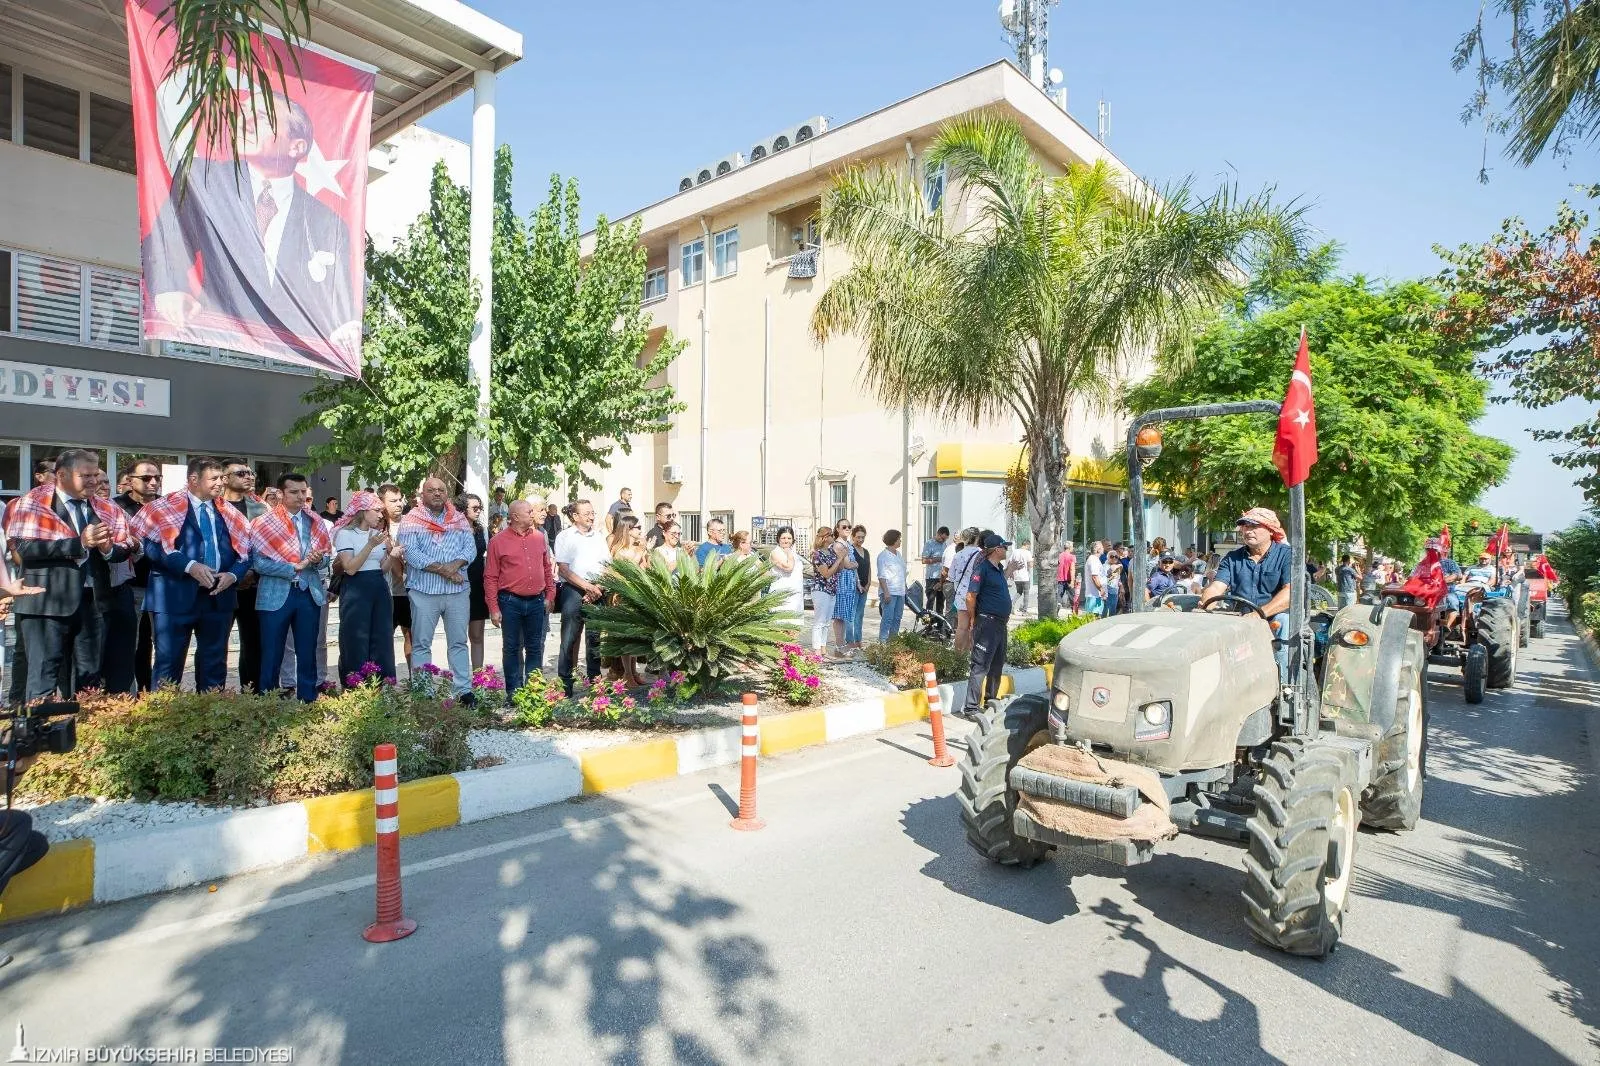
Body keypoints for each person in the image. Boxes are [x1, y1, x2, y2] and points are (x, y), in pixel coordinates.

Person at [145, 91, 360, 368]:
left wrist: (347, 327)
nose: (243, 123)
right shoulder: (204, 180)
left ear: (296, 147)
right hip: (214, 345)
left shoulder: (328, 224)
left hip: (292, 360)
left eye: (260, 117)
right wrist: (168, 288)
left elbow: (338, 301)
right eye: (242, 114)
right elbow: (166, 241)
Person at [4, 449, 134, 701]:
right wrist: (78, 543)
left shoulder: (106, 508)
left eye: (95, 475)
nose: (94, 482)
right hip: (46, 604)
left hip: (93, 603)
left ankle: (84, 733)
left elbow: (123, 550)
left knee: (89, 680)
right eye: (85, 475)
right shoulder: (32, 504)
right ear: (61, 475)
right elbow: (25, 549)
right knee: (42, 678)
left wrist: (108, 550)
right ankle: (39, 733)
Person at [134, 457, 251, 691]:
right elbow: (149, 547)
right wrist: (189, 566)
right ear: (194, 479)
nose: (220, 483)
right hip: (173, 597)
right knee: (169, 664)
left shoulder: (229, 512)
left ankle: (210, 721)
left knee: (215, 663)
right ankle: (166, 720)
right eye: (214, 478)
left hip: (218, 597)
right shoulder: (163, 508)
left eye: (222, 478)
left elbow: (246, 552)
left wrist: (234, 575)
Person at [251, 473, 332, 702]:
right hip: (276, 594)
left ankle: (308, 702)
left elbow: (327, 558)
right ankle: (268, 703)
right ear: (281, 493)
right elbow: (258, 563)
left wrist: (318, 560)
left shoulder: (315, 521)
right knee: (271, 653)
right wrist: (292, 567)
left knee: (308, 652)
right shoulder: (264, 522)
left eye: (303, 492)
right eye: (294, 492)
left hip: (308, 592)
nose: (300, 496)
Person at [398, 477, 477, 699]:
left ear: (447, 494)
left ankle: (463, 691)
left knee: (459, 642)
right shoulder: (410, 520)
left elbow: (469, 550)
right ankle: (424, 692)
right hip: (424, 592)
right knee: (421, 643)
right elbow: (411, 554)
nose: (436, 493)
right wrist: (447, 571)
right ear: (422, 494)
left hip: (457, 594)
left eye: (441, 490)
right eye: (431, 490)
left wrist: (454, 567)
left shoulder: (459, 520)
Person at [1199, 508, 1294, 680]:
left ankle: (1284, 685)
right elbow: (1217, 586)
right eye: (1244, 526)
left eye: (1254, 526)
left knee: (1283, 621)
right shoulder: (1232, 558)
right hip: (1242, 619)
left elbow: (1289, 594)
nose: (1247, 530)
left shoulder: (1287, 555)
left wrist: (1259, 615)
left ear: (1270, 530)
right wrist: (1207, 600)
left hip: (1273, 618)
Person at [485, 500, 557, 697]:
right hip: (510, 602)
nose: (533, 513)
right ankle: (514, 693)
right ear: (515, 516)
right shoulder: (497, 541)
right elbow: (490, 577)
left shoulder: (539, 538)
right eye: (529, 511)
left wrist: (550, 593)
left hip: (536, 601)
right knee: (511, 648)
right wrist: (493, 607)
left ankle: (533, 692)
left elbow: (546, 568)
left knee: (535, 647)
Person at [107, 459, 162, 693]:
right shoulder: (114, 507)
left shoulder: (166, 506)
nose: (153, 482)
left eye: (157, 478)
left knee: (163, 645)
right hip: (132, 585)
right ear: (129, 481)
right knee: (132, 642)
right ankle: (128, 697)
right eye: (146, 478)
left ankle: (157, 694)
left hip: (163, 585)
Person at [332, 491, 397, 683]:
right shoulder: (345, 534)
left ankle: (381, 682)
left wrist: (393, 556)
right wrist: (369, 545)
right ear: (362, 511)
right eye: (376, 510)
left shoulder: (378, 535)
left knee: (381, 635)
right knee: (355, 636)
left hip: (379, 587)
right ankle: (355, 683)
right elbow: (350, 569)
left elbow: (382, 568)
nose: (380, 515)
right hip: (356, 589)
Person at [218, 460, 268, 690]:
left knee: (254, 644)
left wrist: (251, 571)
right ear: (225, 478)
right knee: (217, 645)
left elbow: (267, 546)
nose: (248, 477)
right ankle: (212, 696)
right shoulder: (213, 506)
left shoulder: (260, 508)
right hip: (220, 584)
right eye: (241, 473)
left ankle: (254, 695)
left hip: (253, 584)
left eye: (250, 473)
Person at [553, 500, 611, 697]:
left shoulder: (599, 537)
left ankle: (595, 682)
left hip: (598, 589)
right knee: (569, 637)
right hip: (573, 590)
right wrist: (587, 587)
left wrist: (598, 588)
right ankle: (565, 684)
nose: (591, 516)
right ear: (575, 516)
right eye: (586, 513)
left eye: (592, 512)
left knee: (594, 639)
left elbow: (607, 566)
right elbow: (563, 568)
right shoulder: (565, 537)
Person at [959, 534, 1014, 720]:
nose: (1006, 550)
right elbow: (970, 596)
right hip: (987, 622)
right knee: (980, 665)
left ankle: (990, 701)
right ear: (996, 549)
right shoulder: (982, 569)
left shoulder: (998, 569)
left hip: (999, 624)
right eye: (1004, 547)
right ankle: (971, 708)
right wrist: (974, 619)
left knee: (997, 664)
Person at [607, 516, 650, 686]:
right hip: (622, 595)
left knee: (636, 635)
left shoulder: (637, 548)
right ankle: (626, 673)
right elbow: (625, 568)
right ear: (628, 529)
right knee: (626, 635)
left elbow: (643, 569)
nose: (640, 530)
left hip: (636, 594)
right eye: (637, 527)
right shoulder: (619, 548)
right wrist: (641, 551)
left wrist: (645, 554)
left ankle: (633, 671)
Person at [377, 484, 413, 672]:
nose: (399, 504)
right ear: (381, 503)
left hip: (408, 592)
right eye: (393, 501)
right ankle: (383, 682)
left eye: (400, 500)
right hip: (383, 592)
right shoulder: (375, 526)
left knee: (411, 636)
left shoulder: (411, 523)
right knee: (382, 639)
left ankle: (416, 681)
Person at [458, 493, 490, 673]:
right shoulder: (452, 530)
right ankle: (460, 677)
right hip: (458, 584)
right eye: (474, 508)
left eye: (480, 508)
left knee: (477, 634)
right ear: (463, 510)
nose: (478, 512)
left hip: (478, 585)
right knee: (458, 636)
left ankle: (478, 677)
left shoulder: (482, 531)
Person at [948, 527, 984, 652]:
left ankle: (958, 655)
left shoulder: (958, 554)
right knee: (973, 626)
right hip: (976, 594)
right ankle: (972, 654)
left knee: (961, 627)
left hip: (961, 594)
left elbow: (951, 576)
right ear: (977, 538)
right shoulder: (981, 554)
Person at [831, 520, 862, 656]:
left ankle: (841, 644)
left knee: (844, 616)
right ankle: (839, 645)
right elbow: (848, 565)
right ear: (838, 529)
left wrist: (858, 582)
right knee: (839, 616)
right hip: (842, 581)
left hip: (849, 582)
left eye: (849, 526)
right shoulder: (838, 545)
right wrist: (855, 564)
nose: (847, 529)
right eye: (844, 527)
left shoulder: (847, 544)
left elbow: (852, 565)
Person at [809, 528, 841, 653]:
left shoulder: (832, 552)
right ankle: (816, 649)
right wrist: (838, 560)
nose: (834, 536)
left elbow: (838, 569)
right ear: (825, 537)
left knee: (827, 621)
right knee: (820, 621)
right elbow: (826, 573)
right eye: (832, 535)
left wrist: (841, 557)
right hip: (821, 589)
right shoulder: (817, 554)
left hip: (832, 590)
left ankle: (823, 648)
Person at [769, 526, 805, 623]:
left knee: (794, 627)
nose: (786, 541)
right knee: (782, 626)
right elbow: (788, 568)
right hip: (782, 594)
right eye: (783, 538)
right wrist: (789, 553)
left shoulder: (794, 553)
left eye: (789, 538)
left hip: (795, 596)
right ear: (778, 539)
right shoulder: (775, 552)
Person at [876, 529, 907, 642]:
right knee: (888, 618)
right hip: (890, 592)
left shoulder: (898, 554)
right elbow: (881, 576)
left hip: (900, 591)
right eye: (899, 539)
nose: (900, 541)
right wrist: (886, 592)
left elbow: (902, 572)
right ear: (893, 539)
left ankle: (893, 642)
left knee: (897, 618)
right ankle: (883, 642)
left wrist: (905, 587)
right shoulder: (883, 556)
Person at [849, 524, 871, 650]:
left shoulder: (866, 551)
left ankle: (858, 640)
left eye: (862, 537)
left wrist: (868, 583)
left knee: (860, 615)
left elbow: (869, 568)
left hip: (864, 587)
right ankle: (851, 641)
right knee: (852, 615)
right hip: (854, 587)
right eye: (858, 537)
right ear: (853, 537)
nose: (860, 540)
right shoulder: (851, 550)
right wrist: (859, 585)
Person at [920, 526, 950, 616]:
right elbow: (924, 560)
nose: (943, 540)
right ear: (938, 534)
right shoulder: (929, 544)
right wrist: (939, 559)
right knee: (930, 601)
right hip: (931, 578)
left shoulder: (944, 544)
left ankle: (939, 626)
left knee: (941, 602)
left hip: (941, 577)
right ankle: (929, 624)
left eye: (945, 539)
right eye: (942, 538)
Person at [1008, 540, 1034, 615]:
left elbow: (1010, 562)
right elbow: (1031, 565)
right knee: (1026, 593)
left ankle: (1012, 605)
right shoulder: (1027, 552)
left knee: (1019, 592)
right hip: (1025, 576)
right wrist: (1033, 560)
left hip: (1016, 575)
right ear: (1027, 545)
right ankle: (1024, 611)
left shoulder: (1015, 551)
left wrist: (1011, 573)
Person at [1082, 540, 1107, 616]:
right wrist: (1101, 589)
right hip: (1094, 595)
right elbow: (1095, 577)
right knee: (1094, 618)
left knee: (1095, 617)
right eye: (1102, 547)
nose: (1103, 548)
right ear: (1098, 549)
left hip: (1095, 595)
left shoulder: (1094, 559)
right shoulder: (1094, 560)